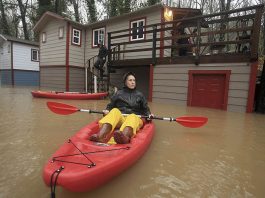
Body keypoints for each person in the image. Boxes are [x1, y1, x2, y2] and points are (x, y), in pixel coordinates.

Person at [89, 72, 153, 144]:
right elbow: (110, 106)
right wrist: (107, 110)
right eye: (130, 80)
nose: (133, 82)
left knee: (132, 116)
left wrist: (149, 115)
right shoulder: (118, 93)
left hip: (135, 119)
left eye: (134, 80)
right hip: (121, 118)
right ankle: (100, 136)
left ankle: (124, 137)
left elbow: (146, 109)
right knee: (115, 111)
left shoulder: (140, 95)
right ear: (125, 82)